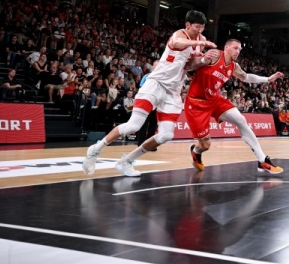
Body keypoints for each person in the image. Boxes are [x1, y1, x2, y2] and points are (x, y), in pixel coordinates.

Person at [82, 10, 216, 177]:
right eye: (197, 27)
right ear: (187, 25)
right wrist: (197, 45)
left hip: (173, 91)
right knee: (134, 125)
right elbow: (177, 43)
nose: (200, 31)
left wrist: (203, 60)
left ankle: (127, 161)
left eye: (202, 27)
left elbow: (189, 66)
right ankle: (95, 149)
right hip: (155, 84)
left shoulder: (200, 40)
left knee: (166, 135)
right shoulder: (180, 35)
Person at [186, 38, 284, 175]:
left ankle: (262, 160)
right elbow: (189, 66)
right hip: (196, 102)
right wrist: (202, 60)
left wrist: (268, 79)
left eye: (239, 49)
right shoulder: (214, 56)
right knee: (205, 145)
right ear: (226, 48)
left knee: (241, 120)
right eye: (235, 48)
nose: (238, 51)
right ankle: (196, 151)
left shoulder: (233, 66)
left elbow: (246, 77)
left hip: (214, 99)